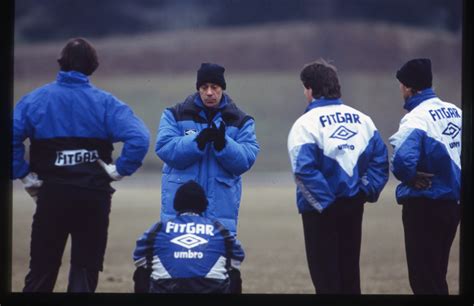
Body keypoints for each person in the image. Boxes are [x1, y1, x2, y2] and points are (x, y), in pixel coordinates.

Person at [11, 37, 150, 292]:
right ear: (92, 66)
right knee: (84, 275)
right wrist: (121, 169)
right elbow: (140, 138)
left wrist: (23, 174)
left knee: (41, 272)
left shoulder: (35, 101)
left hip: (51, 196)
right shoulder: (107, 104)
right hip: (93, 198)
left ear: (61, 63)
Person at [155, 62, 259, 293]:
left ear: (222, 88)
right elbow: (164, 148)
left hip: (219, 212)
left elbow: (246, 159)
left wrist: (224, 144)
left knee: (219, 276)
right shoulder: (175, 114)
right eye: (204, 87)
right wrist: (198, 141)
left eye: (214, 87)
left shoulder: (240, 120)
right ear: (198, 89)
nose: (209, 92)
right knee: (177, 274)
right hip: (179, 212)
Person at [287, 59, 389, 294]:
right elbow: (380, 161)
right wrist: (365, 191)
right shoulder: (364, 120)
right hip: (354, 207)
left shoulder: (305, 124)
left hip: (319, 212)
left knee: (326, 282)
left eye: (305, 88)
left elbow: (304, 171)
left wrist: (327, 205)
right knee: (350, 278)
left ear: (311, 90)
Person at [389, 58, 461, 295]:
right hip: (453, 205)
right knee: (438, 274)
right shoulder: (456, 112)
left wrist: (410, 177)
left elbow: (401, 161)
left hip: (425, 203)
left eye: (401, 85)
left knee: (423, 280)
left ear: (409, 87)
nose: (400, 90)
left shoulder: (416, 118)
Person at [132, 180, 245, 293]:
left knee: (142, 270)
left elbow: (139, 256)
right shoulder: (219, 229)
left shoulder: (159, 228)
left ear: (176, 204)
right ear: (204, 204)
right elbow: (237, 255)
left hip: (168, 287)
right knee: (233, 270)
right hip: (211, 288)